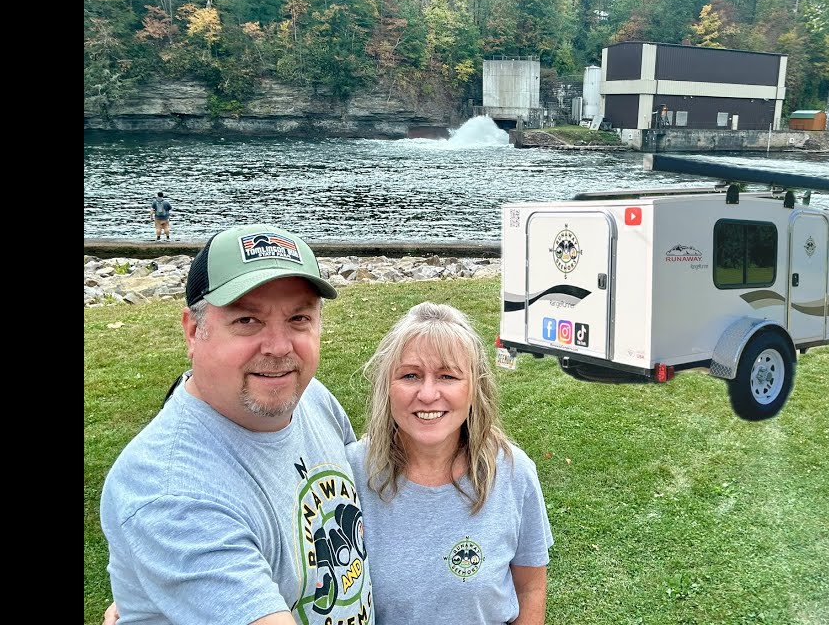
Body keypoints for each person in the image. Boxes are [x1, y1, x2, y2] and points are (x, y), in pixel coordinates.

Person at [99, 223, 375, 625]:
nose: (279, 348)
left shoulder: (312, 398)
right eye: (247, 320)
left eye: (299, 318)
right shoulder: (170, 491)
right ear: (193, 332)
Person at [349, 302, 553, 625]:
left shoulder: (514, 473)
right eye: (410, 375)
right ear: (386, 386)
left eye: (447, 376)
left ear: (475, 387)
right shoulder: (352, 473)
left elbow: (530, 588)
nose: (428, 394)